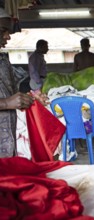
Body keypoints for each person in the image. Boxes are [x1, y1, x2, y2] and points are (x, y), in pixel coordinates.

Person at [0, 8, 47, 158]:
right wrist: (6, 103)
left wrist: (30, 98)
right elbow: (8, 101)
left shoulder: (3, 61)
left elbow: (12, 95)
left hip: (7, 147)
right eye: (3, 30)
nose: (7, 37)